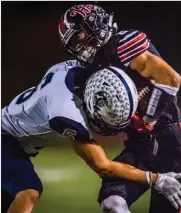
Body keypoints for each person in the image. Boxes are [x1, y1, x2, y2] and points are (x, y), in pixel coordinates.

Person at [2, 61, 181, 213]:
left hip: (15, 141)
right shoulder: (66, 114)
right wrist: (156, 179)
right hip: (6, 139)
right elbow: (104, 167)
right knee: (28, 192)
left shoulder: (79, 73)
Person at [58, 4, 181, 213]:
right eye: (73, 43)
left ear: (96, 24)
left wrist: (148, 121)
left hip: (170, 143)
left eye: (80, 36)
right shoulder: (90, 68)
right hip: (139, 146)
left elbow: (171, 80)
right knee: (112, 203)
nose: (79, 46)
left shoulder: (123, 44)